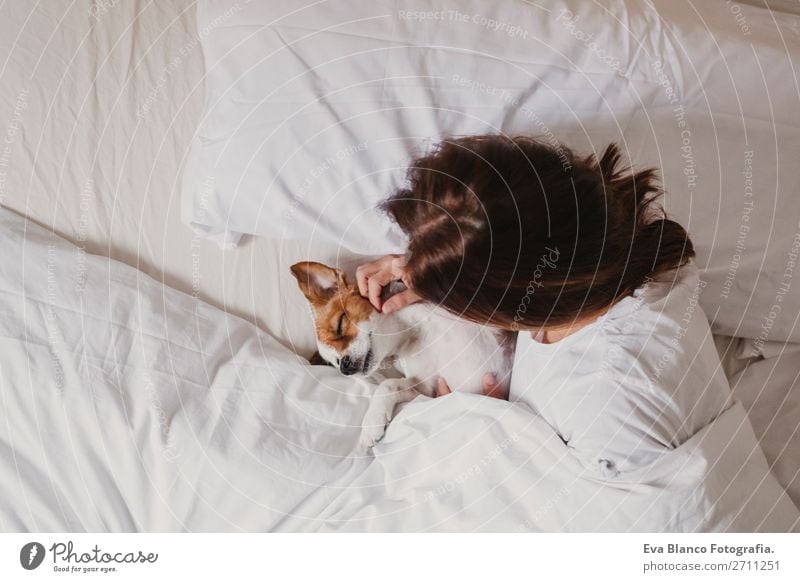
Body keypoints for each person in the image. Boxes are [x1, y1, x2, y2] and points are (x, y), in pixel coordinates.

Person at [356, 135, 730, 478]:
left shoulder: (610, 400)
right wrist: (430, 261)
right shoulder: (633, 250)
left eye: (460, 302)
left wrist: (489, 432)